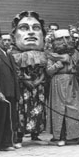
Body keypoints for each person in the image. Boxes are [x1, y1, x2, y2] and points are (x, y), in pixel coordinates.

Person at [11, 11, 48, 145]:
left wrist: (38, 81)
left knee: (38, 109)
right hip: (23, 88)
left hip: (39, 87)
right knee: (22, 109)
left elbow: (45, 70)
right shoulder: (13, 55)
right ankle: (19, 136)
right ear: (14, 35)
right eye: (24, 28)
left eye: (36, 28)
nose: (31, 32)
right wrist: (27, 81)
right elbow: (15, 71)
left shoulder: (45, 54)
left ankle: (35, 134)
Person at [46, 29, 79, 146]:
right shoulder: (52, 55)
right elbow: (49, 71)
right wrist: (58, 65)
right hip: (57, 82)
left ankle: (75, 136)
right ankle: (60, 136)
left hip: (72, 82)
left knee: (74, 109)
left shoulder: (75, 53)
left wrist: (74, 66)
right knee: (59, 109)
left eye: (67, 38)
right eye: (60, 39)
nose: (64, 42)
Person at [0, 33, 20, 153]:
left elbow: (15, 75)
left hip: (11, 91)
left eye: (8, 40)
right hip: (1, 92)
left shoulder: (10, 55)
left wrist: (17, 92)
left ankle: (6, 143)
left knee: (9, 119)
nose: (6, 42)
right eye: (4, 40)